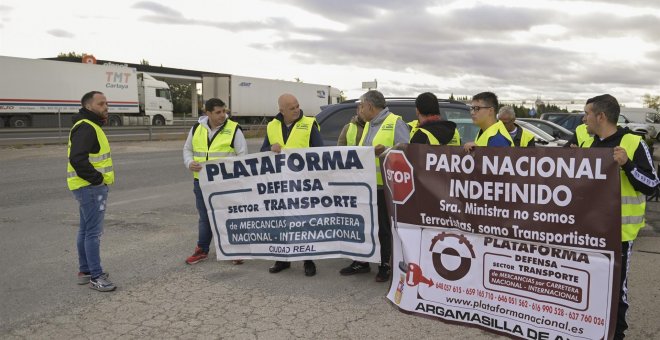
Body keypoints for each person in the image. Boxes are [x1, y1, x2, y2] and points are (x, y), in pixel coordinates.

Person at [579, 94, 659, 339]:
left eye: (587, 114)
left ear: (600, 116)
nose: (584, 120)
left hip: (619, 234)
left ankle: (616, 334)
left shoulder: (633, 142)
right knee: (592, 287)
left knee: (615, 291)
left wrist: (627, 165)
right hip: (591, 231)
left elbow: (653, 184)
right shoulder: (591, 144)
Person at [339, 90, 409, 282]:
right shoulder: (368, 125)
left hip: (383, 187)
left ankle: (385, 264)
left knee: (383, 229)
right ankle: (362, 261)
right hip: (364, 185)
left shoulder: (395, 122)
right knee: (365, 226)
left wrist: (386, 151)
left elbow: (406, 150)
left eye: (361, 105)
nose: (359, 109)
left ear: (370, 106)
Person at [261, 93, 323, 277]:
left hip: (303, 183)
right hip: (279, 184)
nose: (296, 110)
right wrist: (270, 149)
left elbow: (320, 152)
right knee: (281, 222)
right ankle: (283, 259)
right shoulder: (272, 126)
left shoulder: (310, 124)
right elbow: (262, 151)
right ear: (282, 110)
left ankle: (308, 260)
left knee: (304, 222)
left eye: (297, 106)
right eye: (292, 108)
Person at [183, 98, 248, 265]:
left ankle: (235, 251)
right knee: (205, 218)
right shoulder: (197, 128)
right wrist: (190, 163)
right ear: (208, 113)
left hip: (225, 183)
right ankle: (202, 250)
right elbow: (187, 150)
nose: (223, 115)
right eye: (218, 112)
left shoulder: (234, 129)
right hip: (201, 182)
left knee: (228, 215)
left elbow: (243, 156)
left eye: (224, 111)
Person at [67, 91, 116, 292]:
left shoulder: (89, 125)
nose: (106, 106)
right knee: (93, 233)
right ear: (89, 107)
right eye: (101, 103)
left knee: (85, 230)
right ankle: (96, 276)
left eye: (106, 103)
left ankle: (85, 271)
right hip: (90, 188)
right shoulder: (87, 127)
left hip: (85, 187)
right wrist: (97, 180)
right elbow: (77, 159)